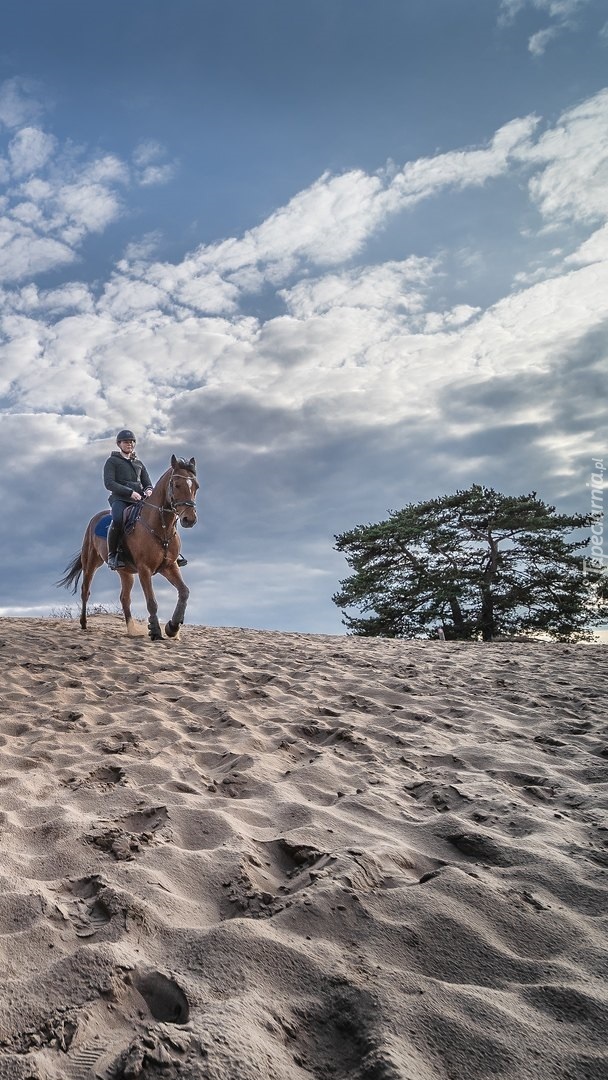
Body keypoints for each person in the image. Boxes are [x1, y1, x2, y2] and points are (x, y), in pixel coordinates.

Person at [103, 430, 153, 570]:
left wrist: (149, 490)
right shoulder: (112, 461)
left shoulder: (139, 463)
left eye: (131, 442)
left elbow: (147, 482)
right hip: (120, 499)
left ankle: (171, 552)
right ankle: (113, 555)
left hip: (139, 500)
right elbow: (109, 483)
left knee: (158, 516)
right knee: (118, 519)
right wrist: (130, 492)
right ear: (119, 444)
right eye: (126, 442)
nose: (129, 444)